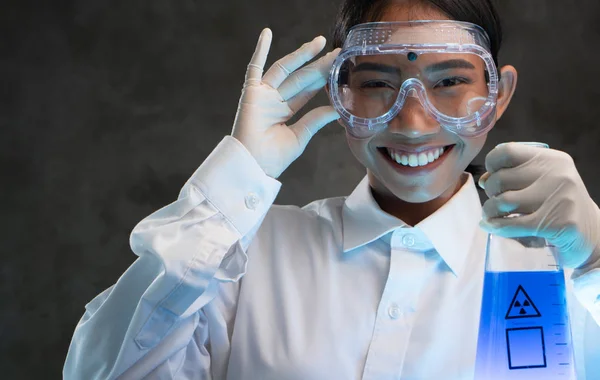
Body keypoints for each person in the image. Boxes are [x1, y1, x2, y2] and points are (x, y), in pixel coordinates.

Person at [64, 0, 600, 378]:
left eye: (451, 82)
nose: (413, 123)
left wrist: (597, 259)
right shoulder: (240, 254)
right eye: (375, 84)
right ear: (339, 93)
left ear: (498, 93)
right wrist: (230, 186)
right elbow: (100, 373)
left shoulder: (556, 271)